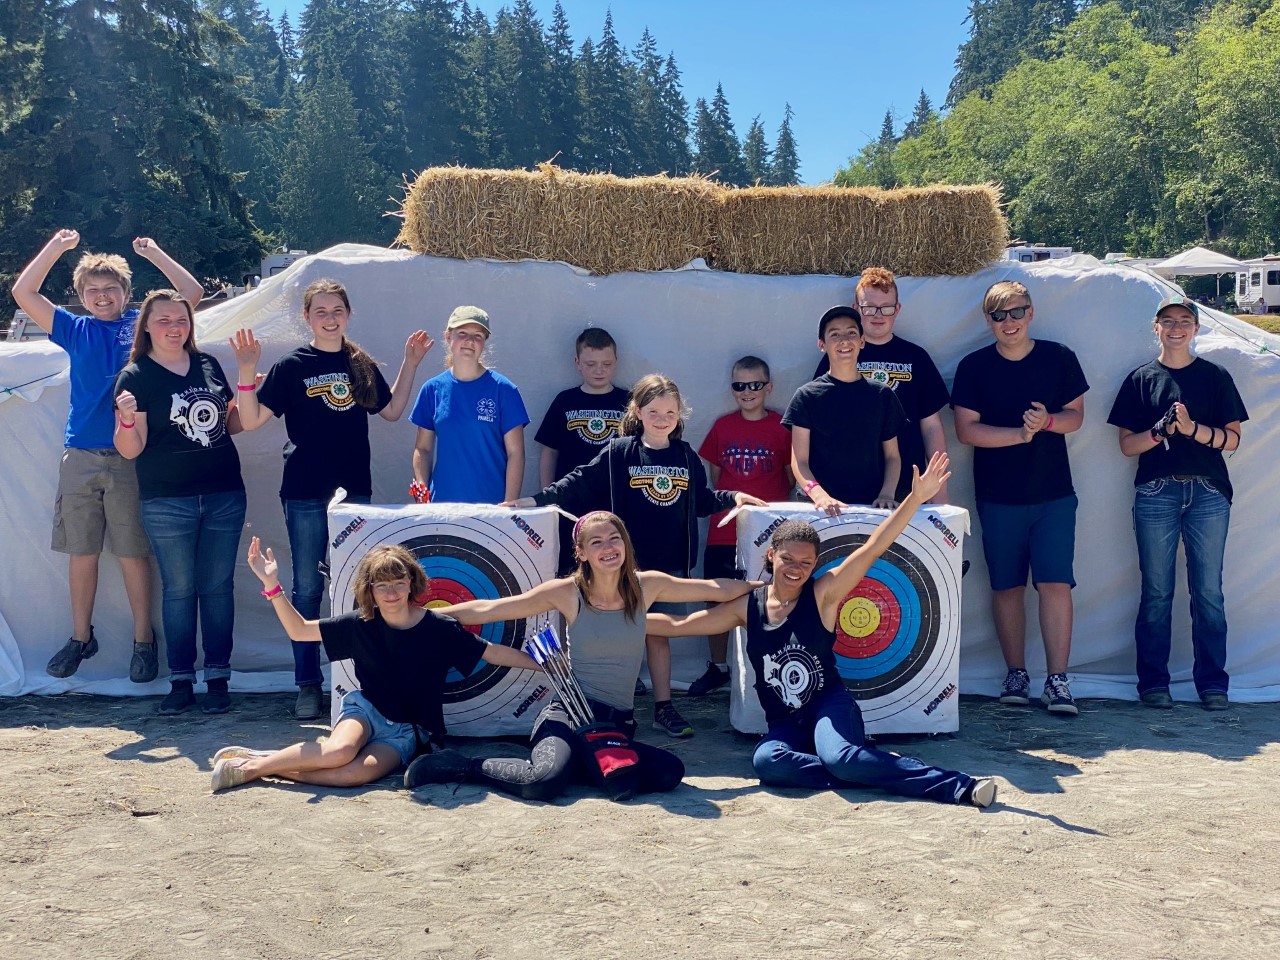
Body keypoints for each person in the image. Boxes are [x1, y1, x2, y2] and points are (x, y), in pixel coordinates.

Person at [647, 453, 997, 808]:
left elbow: (874, 546)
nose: (795, 569)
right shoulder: (747, 606)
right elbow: (679, 625)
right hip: (784, 720)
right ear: (771, 555)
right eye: (787, 559)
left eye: (805, 563)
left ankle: (957, 785)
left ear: (815, 564)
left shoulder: (824, 593)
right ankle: (863, 771)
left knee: (842, 758)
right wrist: (610, 618)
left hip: (829, 705)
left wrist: (916, 498)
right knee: (768, 763)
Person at [404, 511, 757, 800]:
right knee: (542, 781)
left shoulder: (646, 585)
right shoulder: (567, 592)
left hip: (616, 724)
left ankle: (576, 764)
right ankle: (461, 766)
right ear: (582, 552)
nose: (608, 547)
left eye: (614, 538)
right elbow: (493, 608)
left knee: (669, 772)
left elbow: (714, 588)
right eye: (596, 542)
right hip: (568, 714)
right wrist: (421, 617)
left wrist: (765, 589)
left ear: (626, 544)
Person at [506, 373, 767, 738]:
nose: (662, 418)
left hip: (670, 564)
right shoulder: (619, 452)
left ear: (679, 415)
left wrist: (733, 497)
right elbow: (578, 482)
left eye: (670, 412)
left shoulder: (685, 455)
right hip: (620, 567)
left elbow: (703, 501)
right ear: (638, 412)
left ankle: (663, 708)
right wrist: (534, 500)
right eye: (654, 411)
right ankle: (598, 705)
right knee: (610, 636)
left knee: (656, 634)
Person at [229, 278, 434, 720]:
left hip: (354, 492)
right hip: (304, 490)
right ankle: (308, 684)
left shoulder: (359, 363)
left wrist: (410, 362)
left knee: (362, 589)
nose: (329, 317)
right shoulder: (291, 366)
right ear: (307, 318)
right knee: (307, 588)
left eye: (336, 310)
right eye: (320, 311)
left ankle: (361, 683)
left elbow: (393, 410)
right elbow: (249, 420)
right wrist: (247, 369)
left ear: (348, 313)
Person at [12, 231, 203, 682]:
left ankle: (143, 641)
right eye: (92, 291)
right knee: (82, 552)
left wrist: (155, 252)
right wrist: (56, 250)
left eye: (110, 288)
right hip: (80, 453)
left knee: (134, 553)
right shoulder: (73, 329)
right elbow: (23, 292)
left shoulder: (142, 326)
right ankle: (82, 638)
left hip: (133, 456)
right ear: (80, 296)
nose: (102, 296)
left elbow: (190, 295)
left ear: (126, 293)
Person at [210, 540, 540, 792]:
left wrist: (546, 667)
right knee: (338, 752)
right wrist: (272, 585)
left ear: (413, 582)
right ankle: (248, 770)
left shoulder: (440, 627)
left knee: (355, 775)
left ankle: (264, 763)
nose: (391, 592)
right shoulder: (359, 623)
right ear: (370, 590)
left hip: (408, 729)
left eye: (399, 582)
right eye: (382, 585)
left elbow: (491, 653)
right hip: (365, 709)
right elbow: (299, 630)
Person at [951, 281, 1089, 716]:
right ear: (988, 320)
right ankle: (1016, 673)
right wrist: (1020, 434)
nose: (1008, 322)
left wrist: (1046, 422)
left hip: (1053, 495)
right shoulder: (974, 366)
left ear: (1031, 313)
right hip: (998, 495)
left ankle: (1058, 680)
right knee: (1006, 586)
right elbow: (966, 431)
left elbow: (1076, 418)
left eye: (1016, 312)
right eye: (999, 315)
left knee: (1054, 583)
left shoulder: (1059, 357)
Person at [1107, 295, 1248, 711]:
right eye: (1167, 321)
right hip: (1155, 491)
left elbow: (1233, 439)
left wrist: (1191, 429)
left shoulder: (1216, 376)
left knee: (1208, 592)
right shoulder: (1141, 379)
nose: (1176, 328)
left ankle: (1213, 685)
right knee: (1156, 591)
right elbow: (1126, 446)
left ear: (1196, 328)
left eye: (1184, 321)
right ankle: (1153, 684)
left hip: (1208, 492)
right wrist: (1159, 432)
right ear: (1156, 328)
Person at [113, 291, 246, 715]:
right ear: (147, 327)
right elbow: (130, 450)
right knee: (180, 591)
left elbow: (233, 425)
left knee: (218, 589)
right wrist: (128, 419)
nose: (175, 327)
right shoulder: (135, 376)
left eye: (182, 320)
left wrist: (246, 385)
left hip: (225, 493)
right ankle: (182, 681)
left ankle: (219, 679)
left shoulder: (208, 365)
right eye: (164, 320)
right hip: (167, 501)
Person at [689, 355, 793, 696]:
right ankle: (718, 667)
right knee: (715, 601)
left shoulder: (783, 426)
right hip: (724, 531)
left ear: (768, 387)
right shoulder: (722, 426)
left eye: (755, 385)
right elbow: (716, 480)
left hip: (770, 533)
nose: (747, 392)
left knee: (770, 600)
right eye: (739, 386)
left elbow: (791, 480)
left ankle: (772, 666)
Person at [811, 268, 951, 504]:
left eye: (886, 307)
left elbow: (932, 427)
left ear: (897, 310)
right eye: (869, 307)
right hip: (846, 486)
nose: (878, 315)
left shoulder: (916, 357)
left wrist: (940, 489)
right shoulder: (838, 354)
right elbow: (819, 421)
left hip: (906, 487)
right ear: (856, 308)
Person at [785, 305, 905, 516]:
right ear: (822, 345)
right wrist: (820, 495)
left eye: (851, 332)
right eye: (834, 334)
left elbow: (892, 457)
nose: (844, 340)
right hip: (818, 511)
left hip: (870, 508)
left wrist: (887, 494)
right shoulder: (806, 396)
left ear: (862, 341)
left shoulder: (882, 395)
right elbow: (799, 461)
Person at [534, 326, 630, 575]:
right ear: (577, 363)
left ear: (616, 362)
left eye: (606, 363)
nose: (599, 370)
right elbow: (549, 452)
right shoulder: (564, 401)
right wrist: (549, 498)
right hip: (569, 505)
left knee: (614, 570)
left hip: (615, 503)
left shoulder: (629, 403)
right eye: (591, 364)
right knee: (571, 569)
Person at [409, 305, 528, 504]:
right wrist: (422, 493)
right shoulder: (432, 389)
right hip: (442, 508)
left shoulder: (504, 390)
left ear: (484, 342)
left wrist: (509, 506)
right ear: (448, 337)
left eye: (478, 336)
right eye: (462, 333)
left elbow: (516, 453)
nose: (470, 341)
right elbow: (423, 449)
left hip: (491, 508)